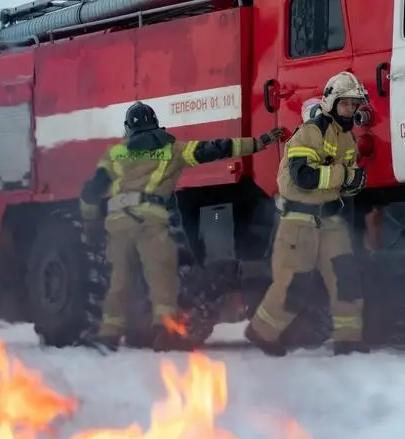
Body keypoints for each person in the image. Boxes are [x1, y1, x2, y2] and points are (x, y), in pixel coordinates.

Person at [79, 101, 285, 352]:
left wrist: (90, 223)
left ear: (128, 129)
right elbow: (217, 148)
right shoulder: (173, 150)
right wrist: (260, 142)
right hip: (152, 223)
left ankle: (109, 334)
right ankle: (165, 332)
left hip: (119, 223)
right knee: (163, 280)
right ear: (155, 124)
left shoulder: (115, 155)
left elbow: (91, 192)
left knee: (119, 280)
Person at [245, 71, 371, 357]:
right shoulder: (309, 133)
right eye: (345, 104)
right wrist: (345, 175)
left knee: (346, 278)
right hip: (299, 221)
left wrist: (353, 184)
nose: (350, 109)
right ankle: (261, 332)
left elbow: (341, 186)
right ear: (331, 103)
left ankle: (348, 339)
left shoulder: (348, 140)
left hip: (329, 221)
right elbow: (303, 176)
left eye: (354, 104)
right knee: (294, 286)